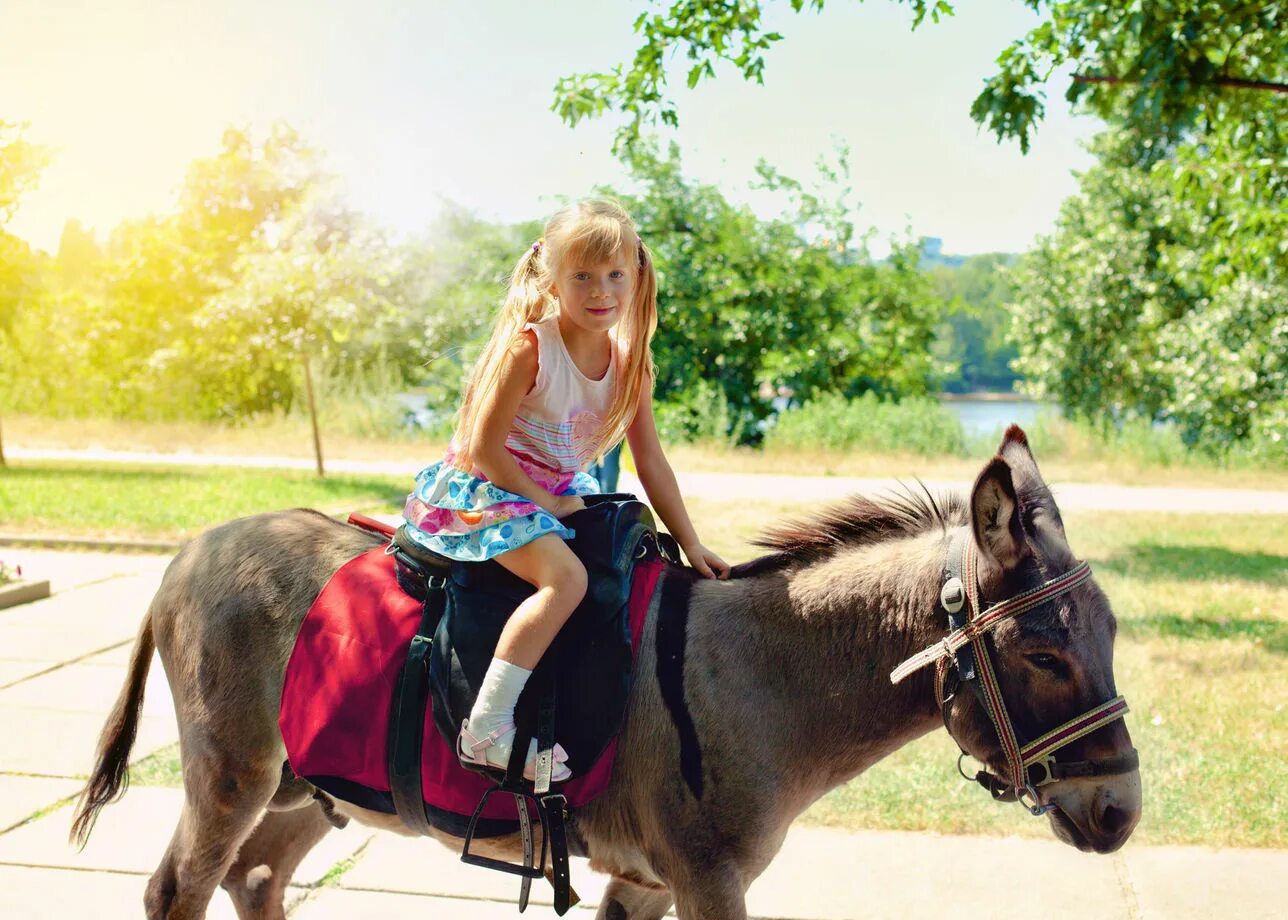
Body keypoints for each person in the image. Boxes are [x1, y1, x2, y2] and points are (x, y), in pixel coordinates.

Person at [402, 199, 730, 782]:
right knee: (568, 579)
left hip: (553, 485)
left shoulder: (631, 363)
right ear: (551, 278)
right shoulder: (529, 349)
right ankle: (488, 728)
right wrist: (548, 504)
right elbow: (483, 450)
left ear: (636, 275)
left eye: (614, 275)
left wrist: (692, 541)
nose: (600, 290)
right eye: (582, 276)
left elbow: (650, 459)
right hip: (486, 489)